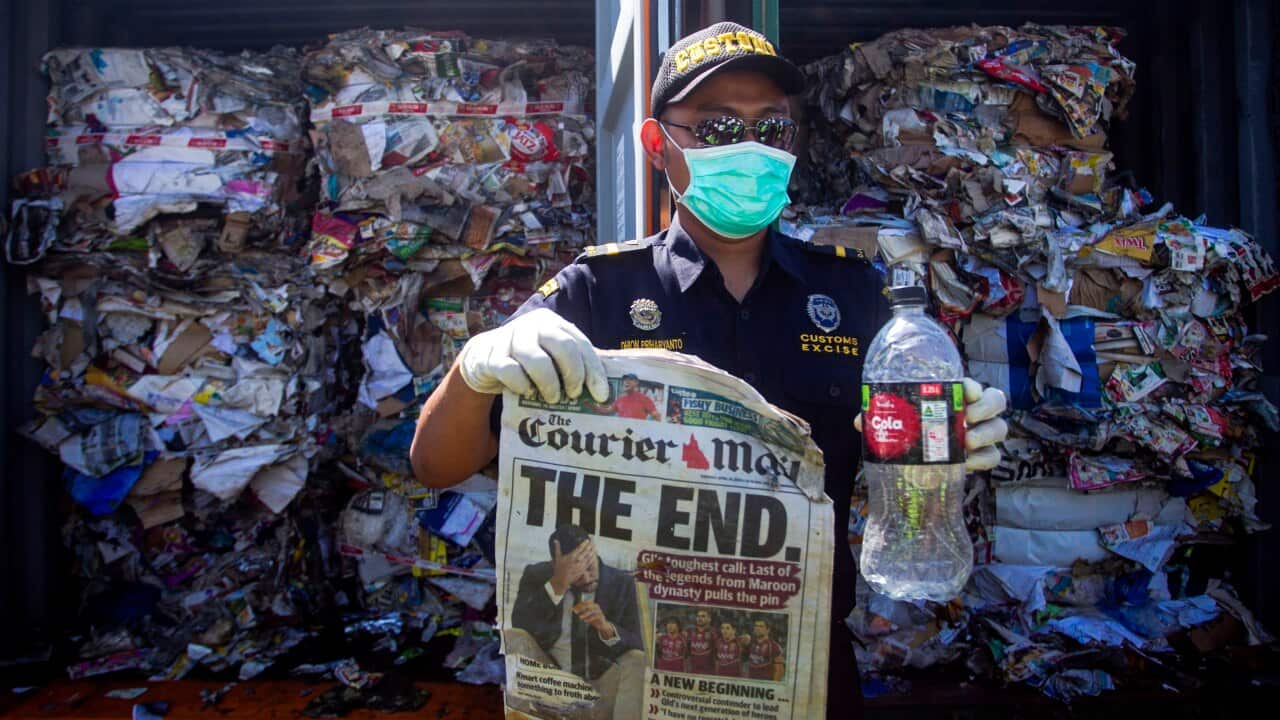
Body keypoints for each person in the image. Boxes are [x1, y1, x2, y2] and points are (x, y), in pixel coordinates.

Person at [411, 21, 1008, 719]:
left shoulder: (853, 297)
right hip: (621, 673)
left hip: (801, 669)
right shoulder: (596, 294)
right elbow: (436, 465)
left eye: (770, 129)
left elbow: (895, 476)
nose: (748, 149)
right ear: (656, 145)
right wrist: (473, 368)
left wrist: (941, 452)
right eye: (716, 127)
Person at [507, 525, 644, 720]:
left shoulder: (622, 582)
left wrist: (607, 628)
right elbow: (519, 624)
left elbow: (638, 644)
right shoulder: (537, 575)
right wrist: (558, 585)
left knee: (637, 658)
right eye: (576, 571)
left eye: (590, 566)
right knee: (513, 636)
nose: (587, 577)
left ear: (594, 551)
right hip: (554, 683)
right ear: (556, 565)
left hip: (602, 688)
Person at [594, 373, 661, 420]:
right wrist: (591, 406)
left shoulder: (645, 399)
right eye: (625, 380)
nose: (626, 382)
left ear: (636, 383)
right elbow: (606, 411)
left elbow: (656, 415)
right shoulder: (620, 400)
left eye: (630, 380)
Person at [685, 608, 717, 674]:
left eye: (703, 616)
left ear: (709, 619)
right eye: (698, 616)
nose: (700, 618)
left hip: (709, 671)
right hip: (693, 670)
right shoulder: (690, 631)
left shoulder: (714, 632)